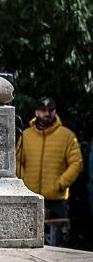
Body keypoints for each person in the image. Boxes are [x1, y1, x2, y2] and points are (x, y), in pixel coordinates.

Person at [16, 97, 82, 246]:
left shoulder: (67, 136)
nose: (47, 114)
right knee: (27, 244)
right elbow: (17, 160)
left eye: (50, 110)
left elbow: (76, 163)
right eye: (43, 110)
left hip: (56, 201)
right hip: (30, 198)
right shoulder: (26, 135)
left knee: (58, 246)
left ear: (55, 111)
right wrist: (24, 181)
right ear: (36, 112)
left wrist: (61, 184)